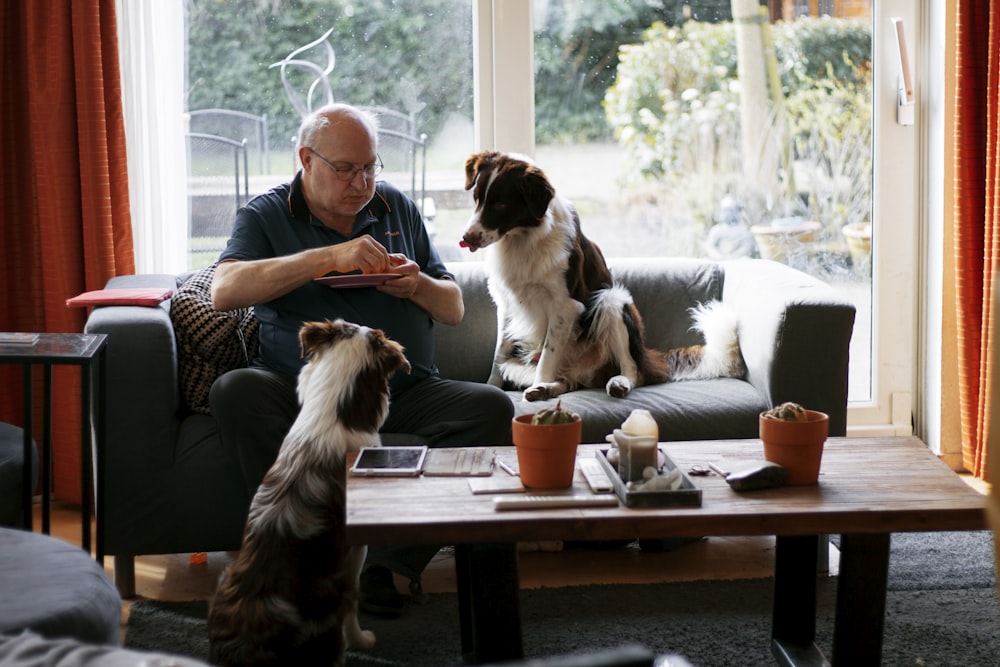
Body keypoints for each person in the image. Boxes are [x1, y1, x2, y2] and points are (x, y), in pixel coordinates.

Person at [209, 103, 514, 617]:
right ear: (306, 159)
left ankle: (386, 567)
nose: (362, 182)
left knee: (489, 409)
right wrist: (329, 258)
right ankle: (295, 557)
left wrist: (415, 284)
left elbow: (454, 307)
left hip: (403, 390)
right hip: (303, 393)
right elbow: (224, 290)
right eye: (347, 169)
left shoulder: (397, 207)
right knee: (235, 391)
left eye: (370, 167)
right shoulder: (265, 215)